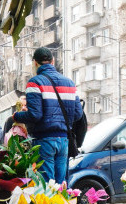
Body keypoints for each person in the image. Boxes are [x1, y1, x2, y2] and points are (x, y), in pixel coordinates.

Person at [13, 47, 81, 184]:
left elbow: (35, 115)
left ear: (35, 63)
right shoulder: (69, 83)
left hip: (44, 140)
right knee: (61, 185)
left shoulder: (35, 82)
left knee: (47, 185)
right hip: (64, 141)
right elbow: (78, 113)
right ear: (53, 61)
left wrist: (17, 116)